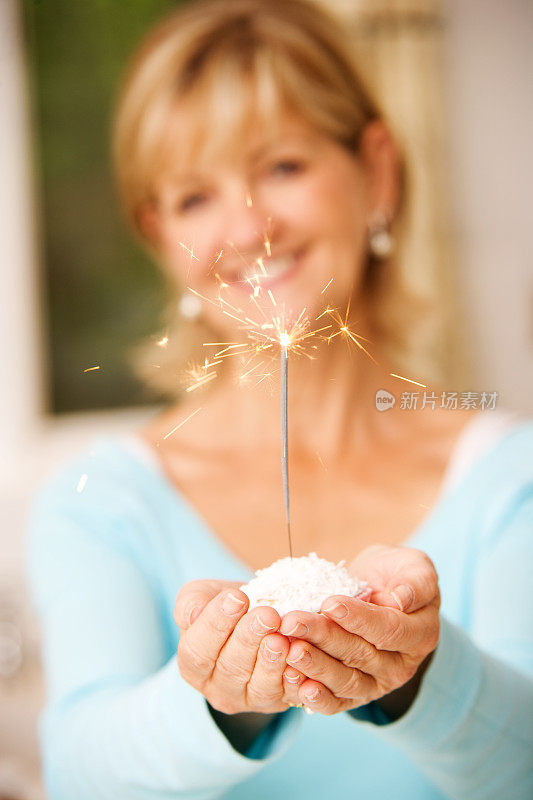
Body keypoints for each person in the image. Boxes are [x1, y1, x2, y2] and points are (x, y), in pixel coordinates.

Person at [26, 0, 533, 798]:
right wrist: (222, 705)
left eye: (282, 167)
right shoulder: (100, 502)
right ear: (158, 233)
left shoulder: (512, 477)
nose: (248, 228)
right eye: (195, 197)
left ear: (376, 170)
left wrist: (417, 682)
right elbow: (79, 775)